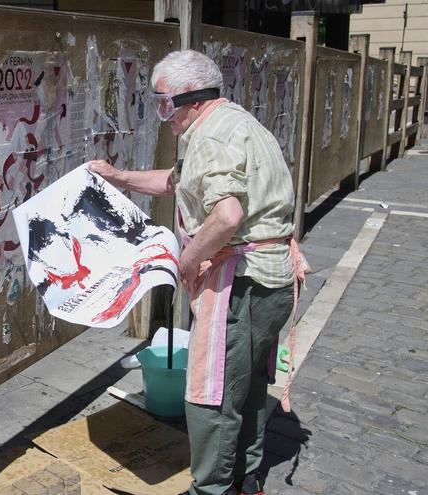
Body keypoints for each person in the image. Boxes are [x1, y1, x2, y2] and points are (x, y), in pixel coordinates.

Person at [88, 49, 308, 495]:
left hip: (244, 285)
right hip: (271, 280)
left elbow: (226, 214)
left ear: (193, 96)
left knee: (214, 394)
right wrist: (119, 177)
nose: (162, 115)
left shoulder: (210, 137)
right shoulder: (231, 123)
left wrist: (185, 264)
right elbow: (179, 180)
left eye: (164, 104)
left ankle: (212, 487)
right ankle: (246, 477)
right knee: (246, 387)